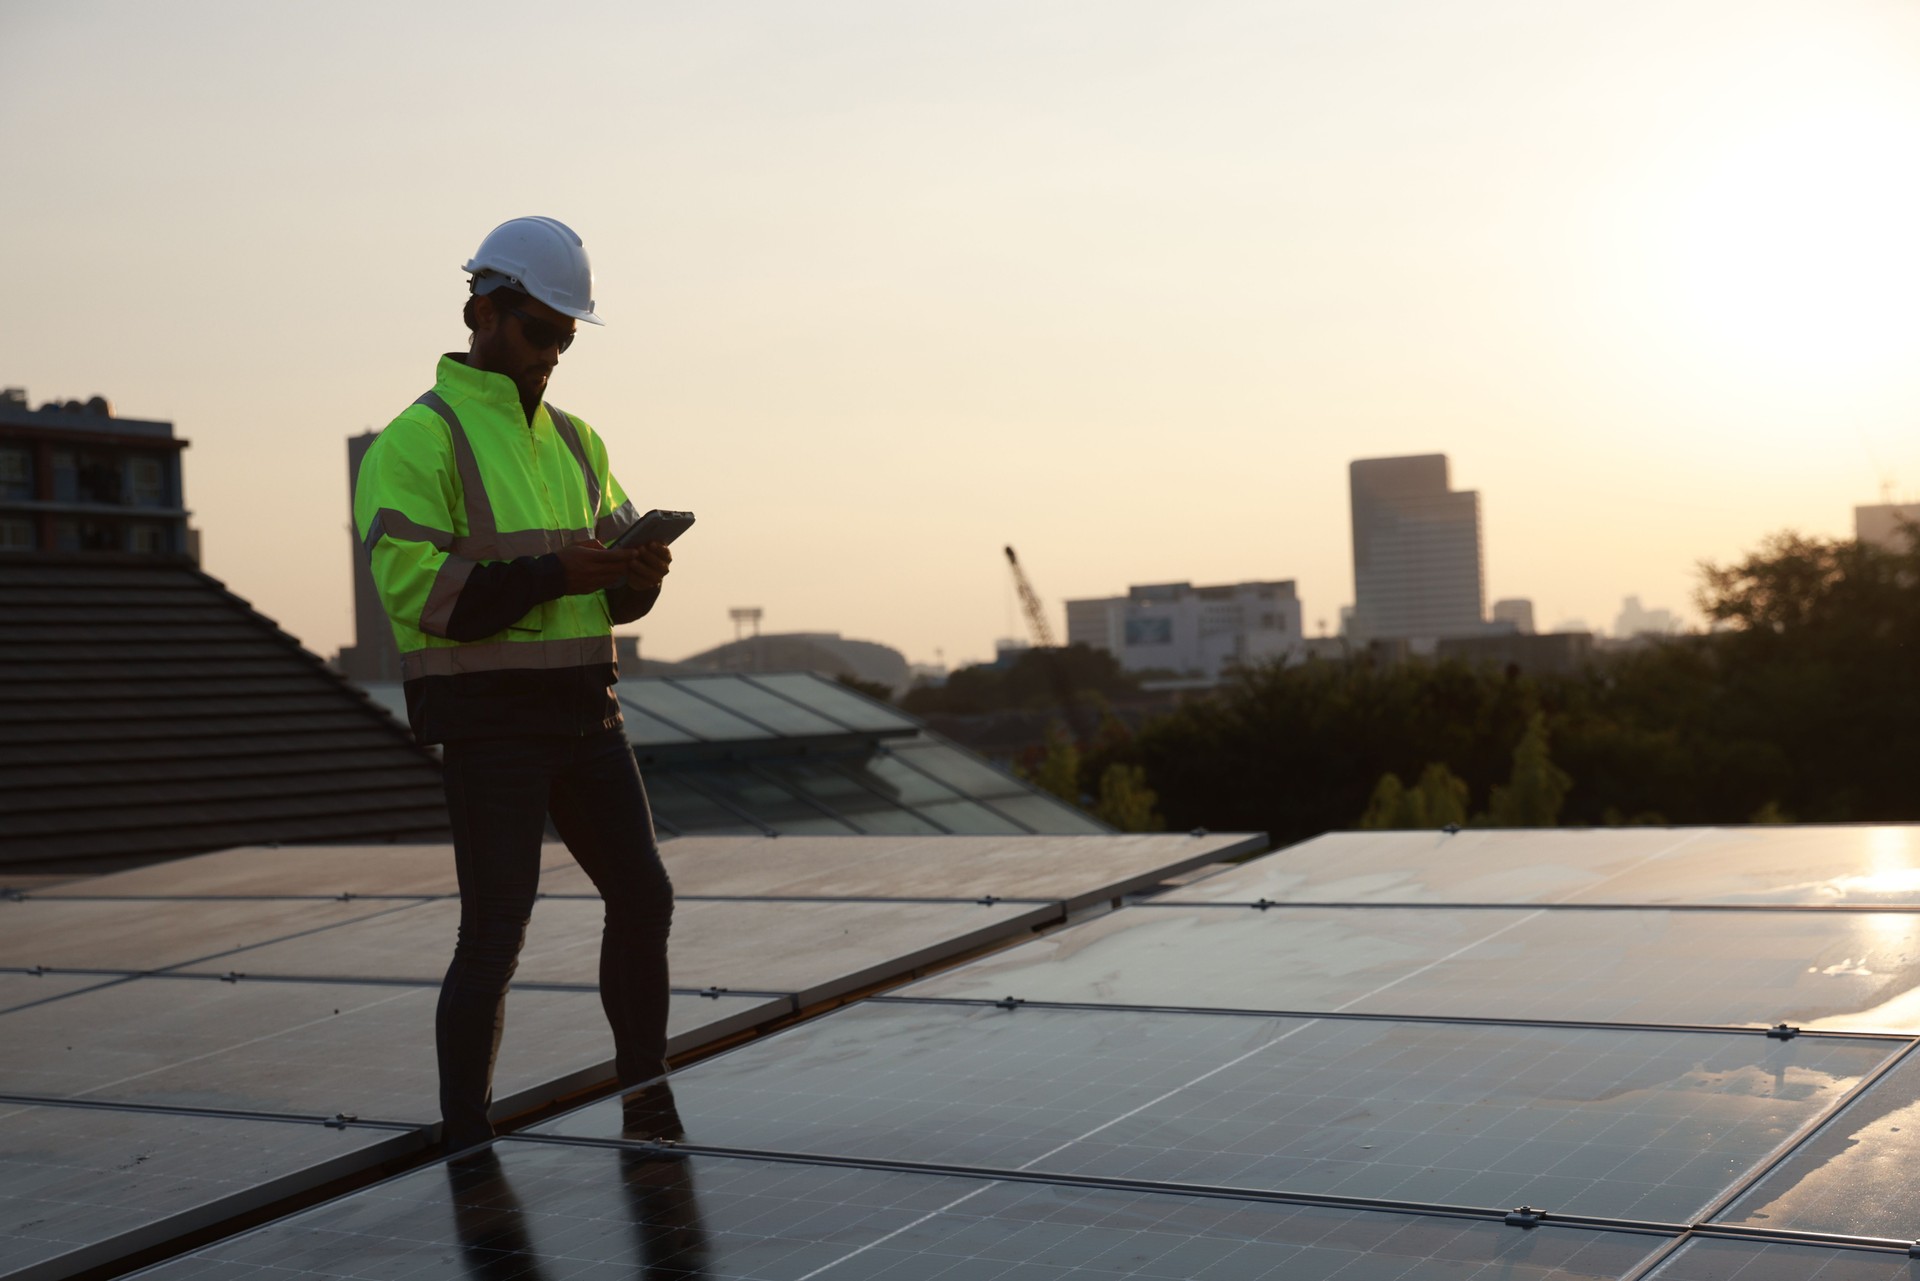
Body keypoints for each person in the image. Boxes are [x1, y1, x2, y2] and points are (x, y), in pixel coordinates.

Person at [354, 216, 678, 1151]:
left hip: (586, 713)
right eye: (542, 331)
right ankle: (467, 1141)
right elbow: (419, 595)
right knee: (495, 933)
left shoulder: (580, 442)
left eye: (566, 337)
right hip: (491, 725)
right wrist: (557, 576)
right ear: (481, 312)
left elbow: (605, 594)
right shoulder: (419, 440)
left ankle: (646, 1091)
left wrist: (636, 578)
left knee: (644, 898)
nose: (554, 353)